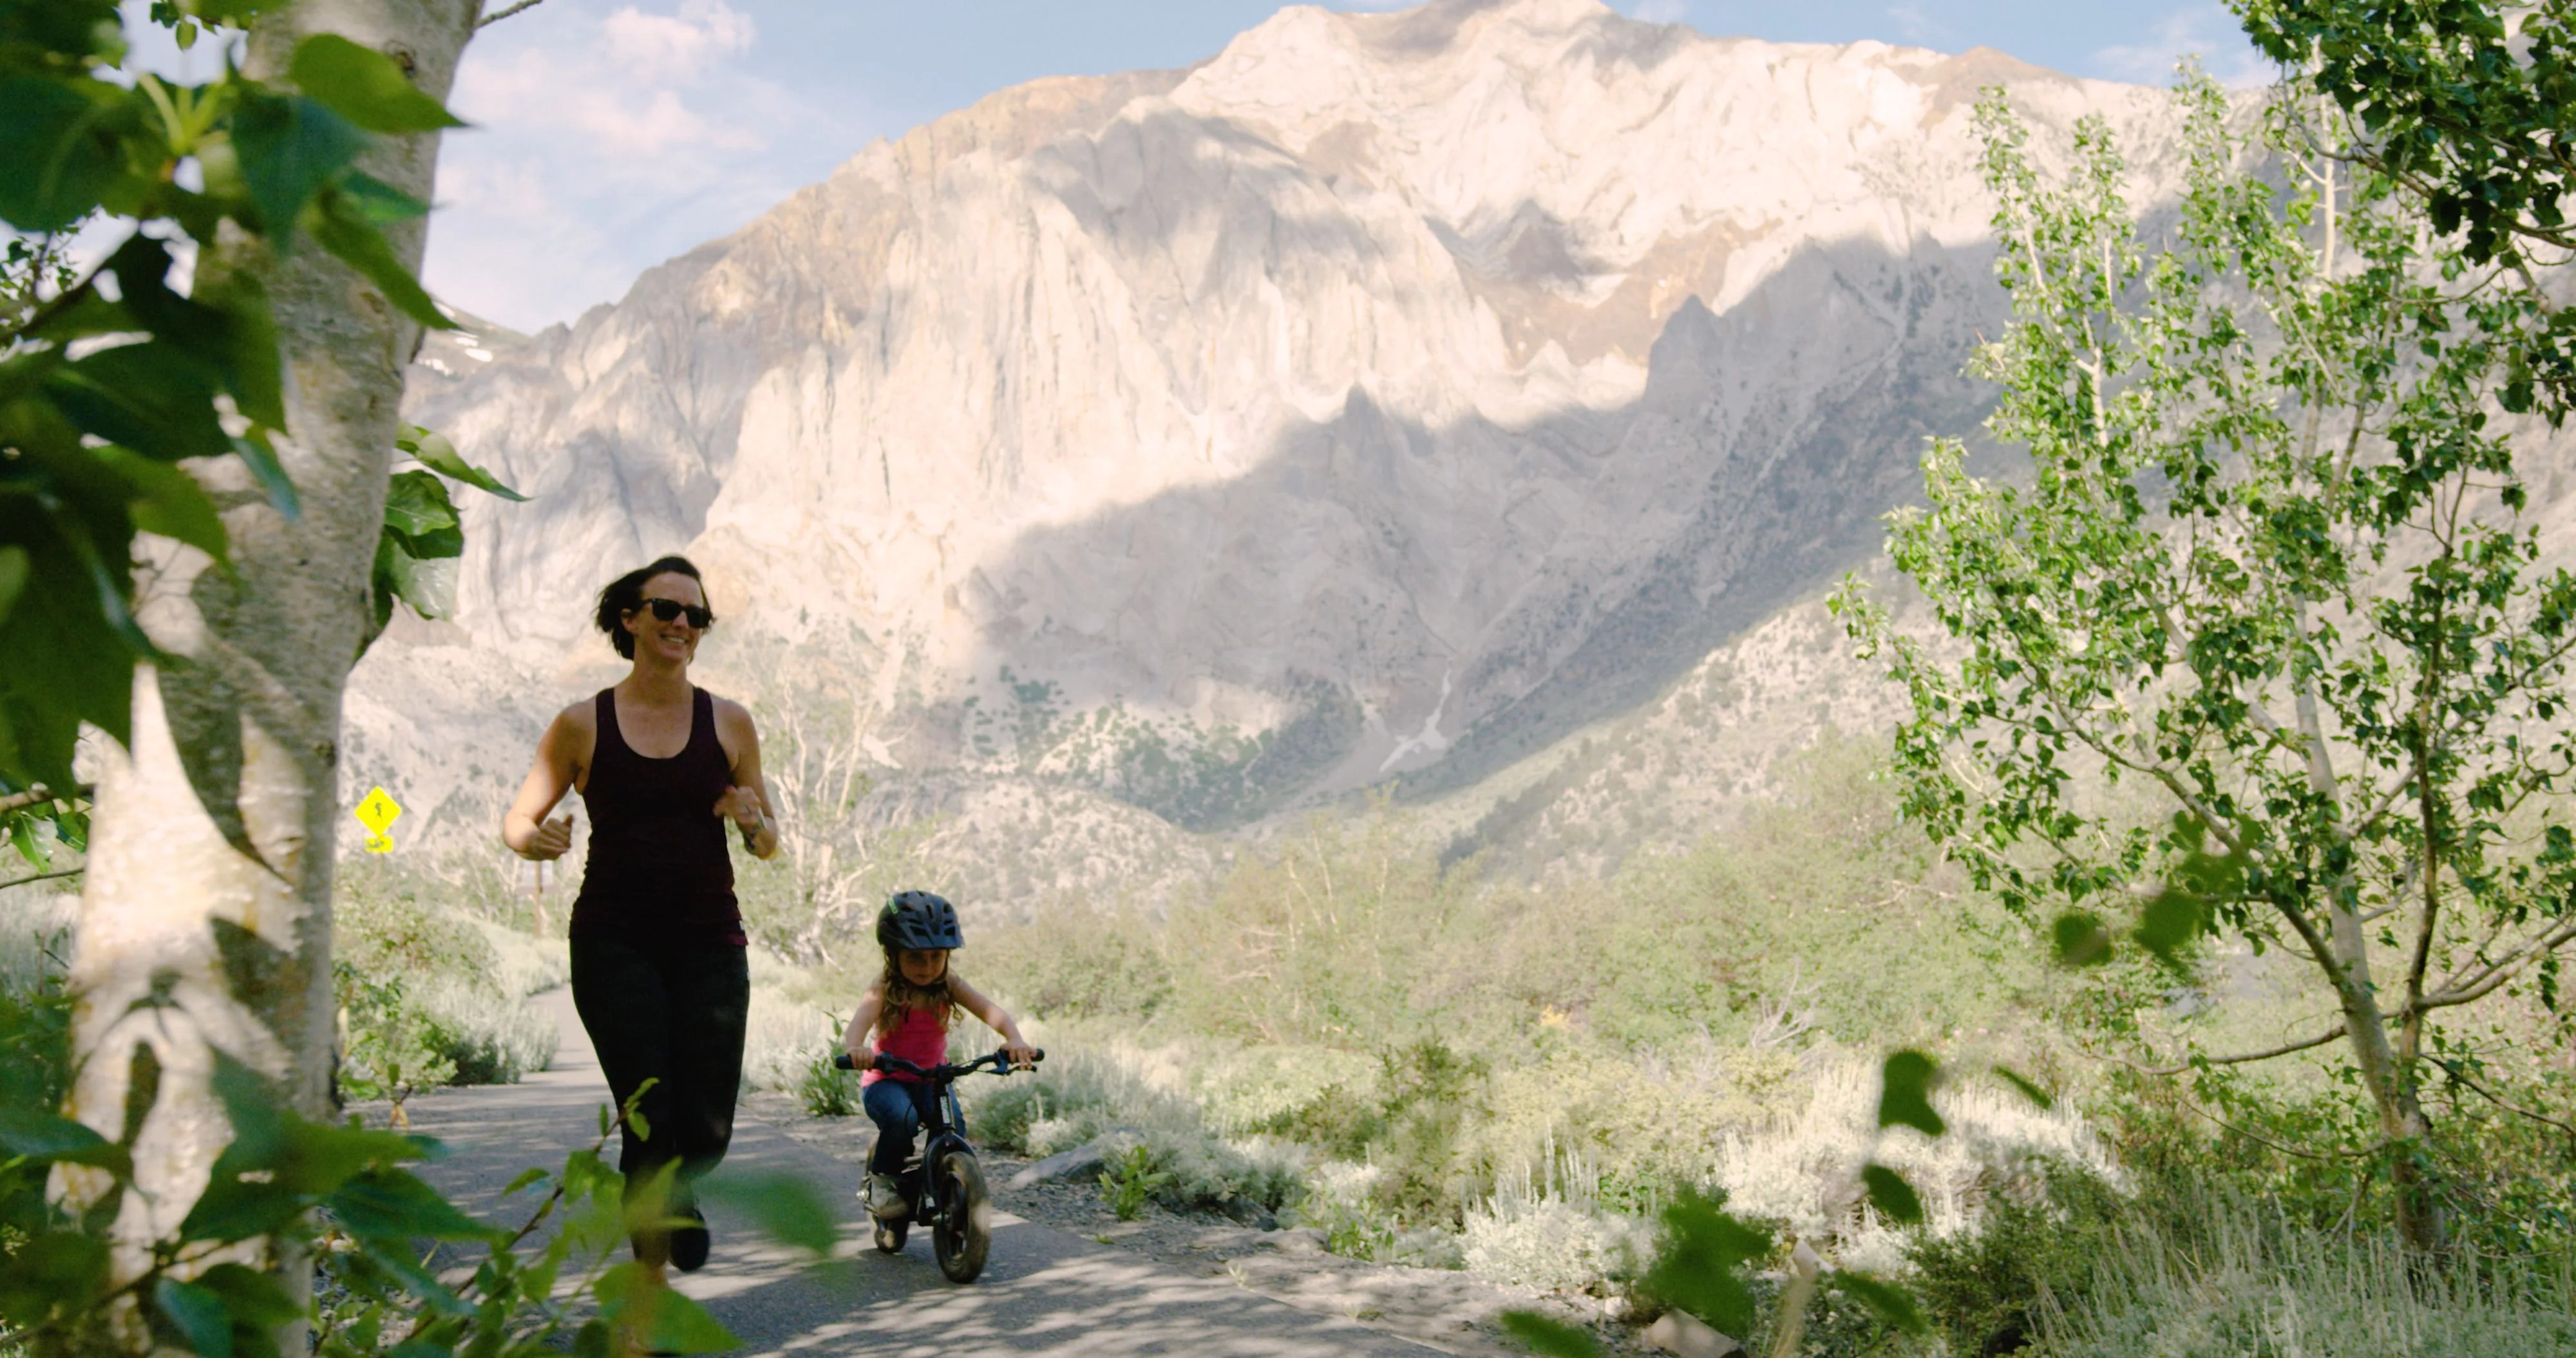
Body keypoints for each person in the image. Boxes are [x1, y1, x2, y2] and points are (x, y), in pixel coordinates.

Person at [502, 554, 779, 1281]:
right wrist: (538, 838)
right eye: (667, 610)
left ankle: (681, 1193)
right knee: (649, 1118)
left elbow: (769, 842)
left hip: (710, 945)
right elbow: (518, 821)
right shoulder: (580, 724)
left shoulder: (729, 722)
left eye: (697, 616)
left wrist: (752, 823)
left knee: (708, 1129)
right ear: (630, 619)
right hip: (613, 942)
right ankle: (643, 1310)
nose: (683, 625)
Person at [839, 891, 1037, 1219]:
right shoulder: (885, 987)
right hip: (886, 1079)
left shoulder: (949, 984)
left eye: (936, 957)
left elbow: (992, 1012)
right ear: (893, 954)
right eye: (915, 957)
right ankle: (881, 1182)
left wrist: (1014, 1038)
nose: (927, 967)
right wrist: (856, 1049)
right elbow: (859, 1023)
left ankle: (939, 1179)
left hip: (931, 1079)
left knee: (953, 1126)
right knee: (903, 1121)